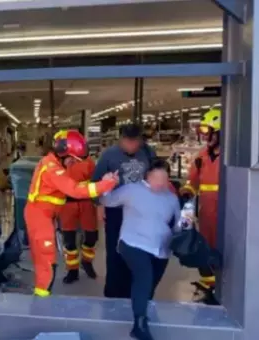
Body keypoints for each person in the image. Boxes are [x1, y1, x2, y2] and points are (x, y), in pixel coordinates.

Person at [24, 129, 119, 297]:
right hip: (40, 216)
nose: (73, 164)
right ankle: (41, 300)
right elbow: (74, 189)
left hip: (46, 214)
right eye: (72, 160)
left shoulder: (54, 163)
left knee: (45, 259)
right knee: (47, 260)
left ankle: (42, 297)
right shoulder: (53, 168)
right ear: (62, 153)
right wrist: (107, 184)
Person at [100, 159, 180, 340]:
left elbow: (177, 226)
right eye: (157, 178)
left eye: (164, 178)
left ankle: (140, 309)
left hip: (161, 248)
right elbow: (107, 200)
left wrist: (186, 228)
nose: (161, 182)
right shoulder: (132, 190)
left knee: (149, 285)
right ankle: (139, 324)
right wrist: (106, 184)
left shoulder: (171, 198)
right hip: (132, 243)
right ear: (147, 177)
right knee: (144, 275)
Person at [92, 124, 156, 299]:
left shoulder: (147, 153)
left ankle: (134, 290)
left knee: (138, 250)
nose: (131, 146)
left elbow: (156, 175)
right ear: (120, 140)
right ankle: (113, 292)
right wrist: (99, 204)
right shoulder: (109, 156)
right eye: (127, 142)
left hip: (140, 212)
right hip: (116, 211)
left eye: (135, 142)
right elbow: (96, 181)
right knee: (115, 251)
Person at [179, 107, 221, 305]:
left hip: (228, 213)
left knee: (226, 251)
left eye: (208, 132)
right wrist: (186, 191)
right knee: (203, 250)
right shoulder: (200, 156)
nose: (205, 137)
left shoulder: (233, 155)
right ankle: (210, 287)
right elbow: (192, 181)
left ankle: (225, 287)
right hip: (205, 213)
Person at [53, 130, 99, 284]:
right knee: (69, 241)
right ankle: (72, 270)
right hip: (66, 205)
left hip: (86, 203)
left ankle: (87, 262)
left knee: (92, 237)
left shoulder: (89, 163)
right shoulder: (58, 163)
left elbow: (95, 183)